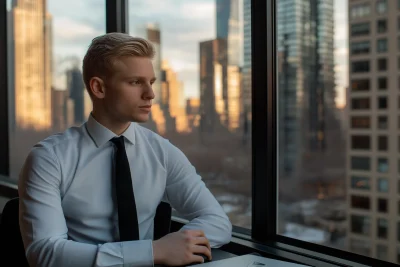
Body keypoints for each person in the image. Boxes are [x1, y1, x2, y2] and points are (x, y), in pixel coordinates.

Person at [18, 32, 232, 267]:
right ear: (99, 88)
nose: (150, 94)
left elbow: (218, 222)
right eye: (135, 82)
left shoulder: (161, 152)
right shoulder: (49, 158)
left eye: (151, 82)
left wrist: (179, 244)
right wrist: (151, 251)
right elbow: (44, 253)